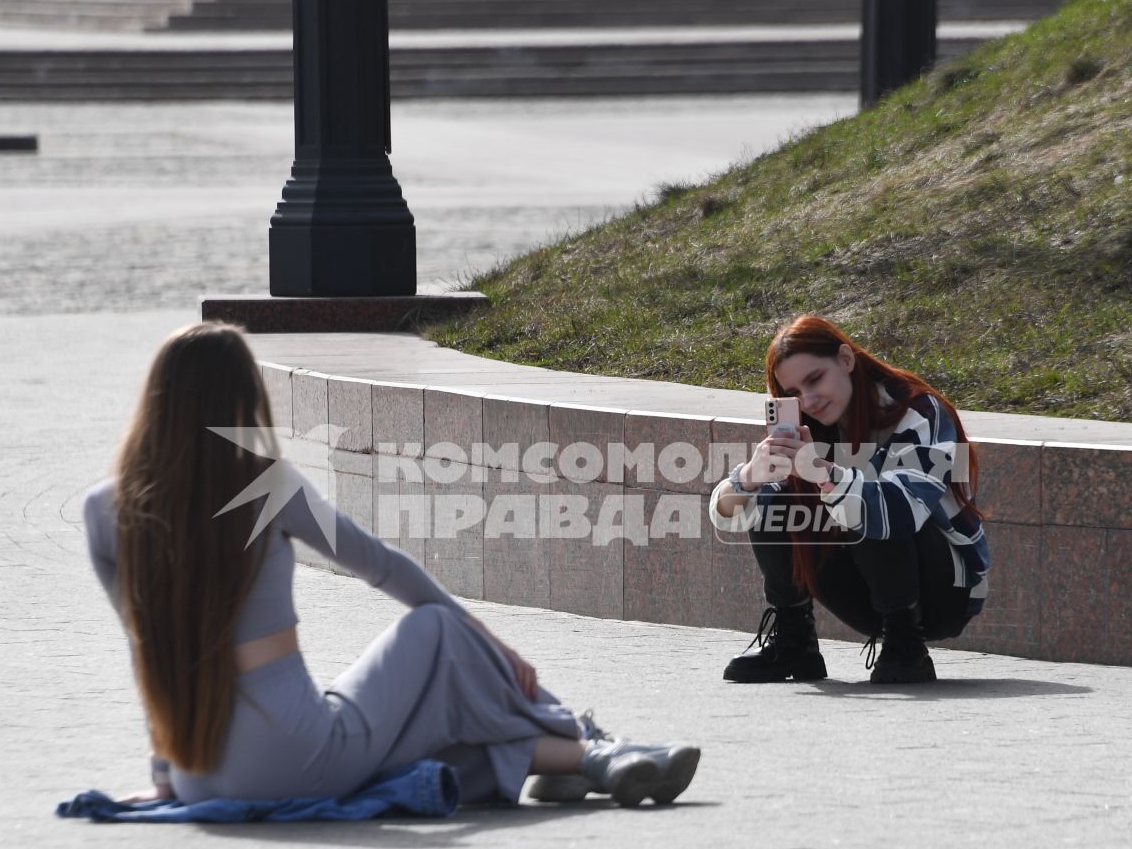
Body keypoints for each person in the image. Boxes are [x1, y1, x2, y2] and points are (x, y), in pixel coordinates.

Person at [81, 321, 698, 809]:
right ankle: (590, 741)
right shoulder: (265, 485)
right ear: (242, 399)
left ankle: (575, 764)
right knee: (436, 628)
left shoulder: (104, 510)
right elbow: (380, 565)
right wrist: (493, 642)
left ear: (157, 401)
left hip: (197, 773)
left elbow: (143, 654)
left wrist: (164, 776)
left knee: (424, 743)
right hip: (294, 755)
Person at [708, 314, 989, 684]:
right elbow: (728, 516)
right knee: (773, 501)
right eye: (792, 394)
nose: (807, 400)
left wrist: (824, 473)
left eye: (815, 379)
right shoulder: (815, 428)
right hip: (865, 592)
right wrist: (750, 478)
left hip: (941, 594)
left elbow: (902, 511)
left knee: (870, 499)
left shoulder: (917, 411)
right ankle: (795, 643)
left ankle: (906, 646)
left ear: (846, 359)